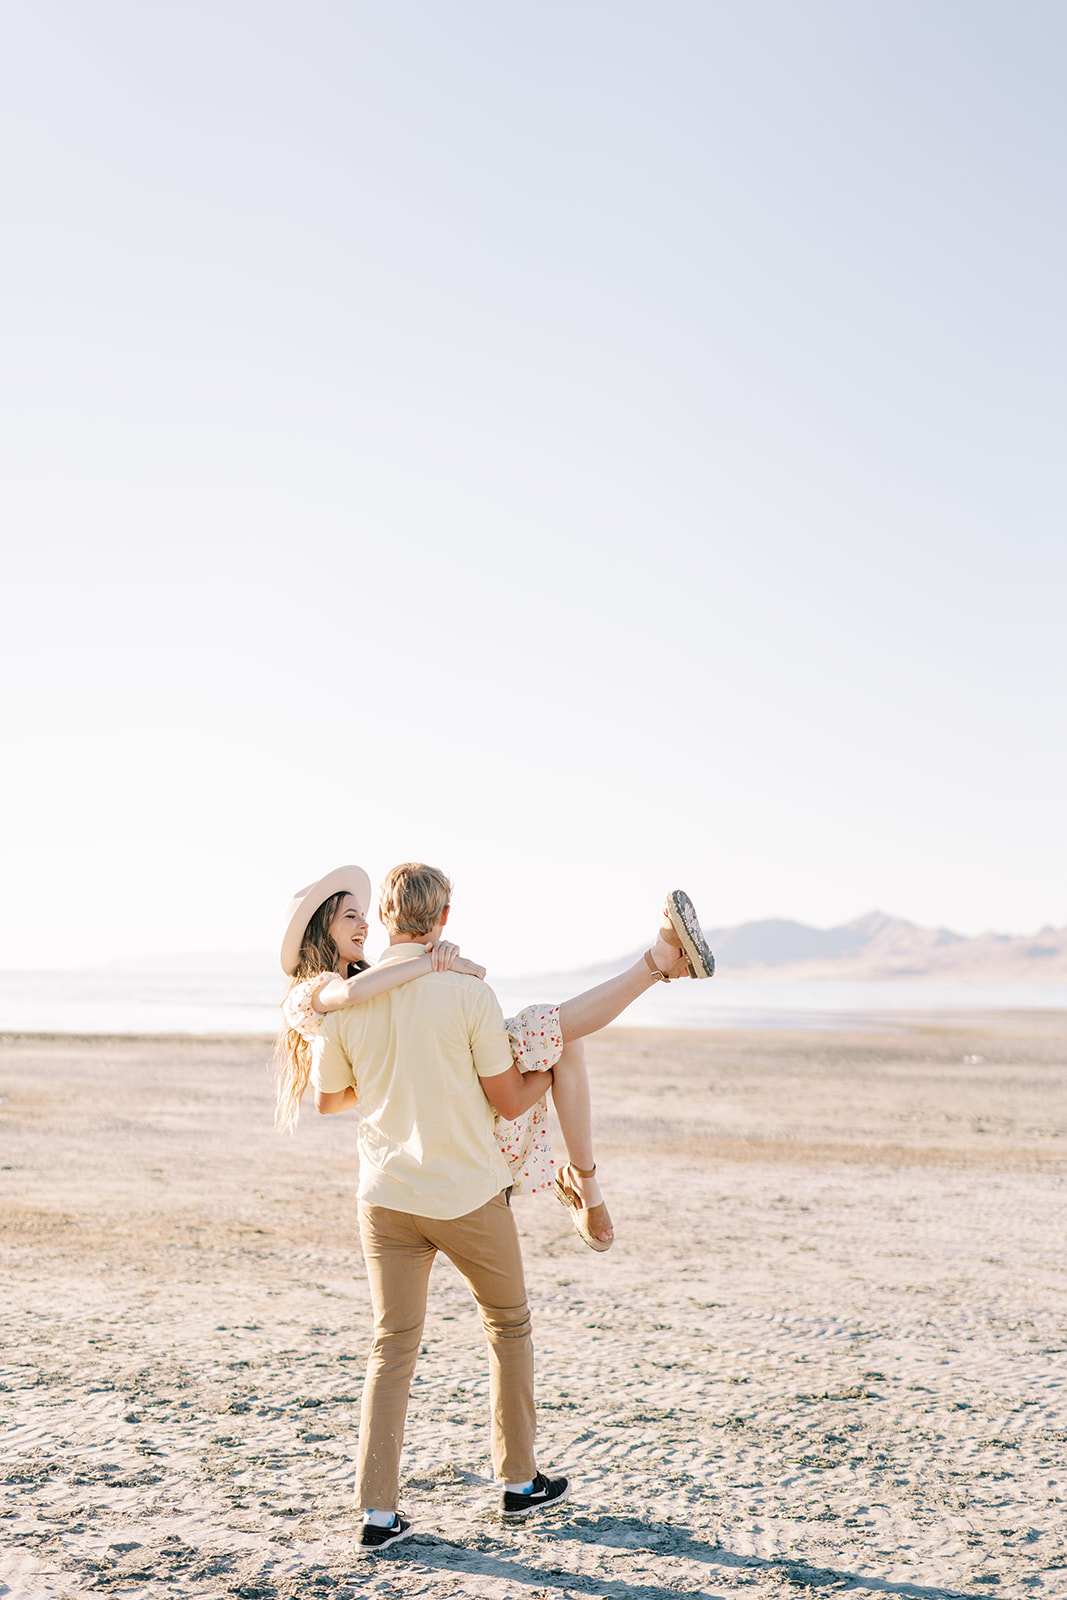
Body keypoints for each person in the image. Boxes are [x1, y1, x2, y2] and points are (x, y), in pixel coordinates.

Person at [299, 861, 714, 1548]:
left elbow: (328, 1100)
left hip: (385, 1200)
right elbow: (509, 1100)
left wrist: (392, 1085)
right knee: (508, 1328)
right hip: (465, 1197)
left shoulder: (348, 1000)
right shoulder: (466, 996)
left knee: (390, 1349)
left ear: (383, 923)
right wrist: (546, 1069)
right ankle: (518, 1484)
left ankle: (377, 1516)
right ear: (443, 922)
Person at [275, 866, 714, 1250]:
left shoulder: (367, 984)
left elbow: (374, 996)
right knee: (559, 1038)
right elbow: (340, 1050)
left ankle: (661, 964)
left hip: (444, 1096)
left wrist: (434, 959)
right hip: (451, 1129)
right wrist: (433, 964)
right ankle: (659, 965)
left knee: (559, 1032)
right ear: (321, 929)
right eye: (350, 916)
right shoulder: (313, 995)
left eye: (365, 916)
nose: (364, 926)